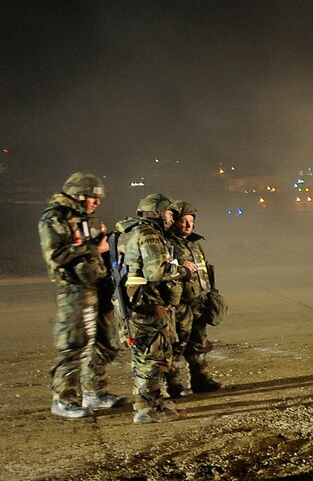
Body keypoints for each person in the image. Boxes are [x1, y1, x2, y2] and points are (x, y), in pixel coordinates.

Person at [39, 172, 126, 418]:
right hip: (75, 288)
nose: (97, 202)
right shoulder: (54, 218)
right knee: (75, 345)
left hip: (98, 285)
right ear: (77, 194)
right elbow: (55, 256)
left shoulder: (88, 219)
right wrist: (92, 247)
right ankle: (63, 399)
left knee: (107, 342)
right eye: (92, 197)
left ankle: (95, 392)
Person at [116, 193, 192, 422]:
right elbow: (156, 271)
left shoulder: (132, 232)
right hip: (146, 304)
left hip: (137, 304)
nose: (172, 218)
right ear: (158, 212)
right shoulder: (148, 234)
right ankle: (146, 410)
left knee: (146, 358)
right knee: (151, 359)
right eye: (169, 213)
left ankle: (153, 403)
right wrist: (184, 270)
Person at [167, 200, 224, 395]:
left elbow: (205, 271)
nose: (189, 225)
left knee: (199, 343)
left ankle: (201, 379)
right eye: (184, 221)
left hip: (199, 301)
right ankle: (173, 384)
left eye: (191, 221)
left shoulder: (195, 245)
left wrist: (211, 294)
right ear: (174, 221)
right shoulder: (167, 244)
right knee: (177, 343)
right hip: (180, 304)